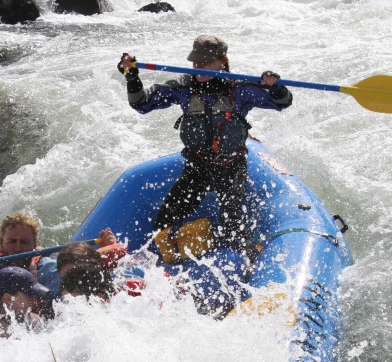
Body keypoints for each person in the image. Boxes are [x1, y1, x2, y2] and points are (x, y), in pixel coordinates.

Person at [118, 35, 292, 267]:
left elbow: (282, 103)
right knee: (163, 222)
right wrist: (132, 76)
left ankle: (246, 258)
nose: (199, 66)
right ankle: (165, 265)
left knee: (233, 225)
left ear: (223, 62)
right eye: (196, 61)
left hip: (231, 167)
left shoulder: (240, 90)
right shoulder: (183, 87)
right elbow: (141, 104)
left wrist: (275, 86)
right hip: (198, 167)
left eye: (206, 62)